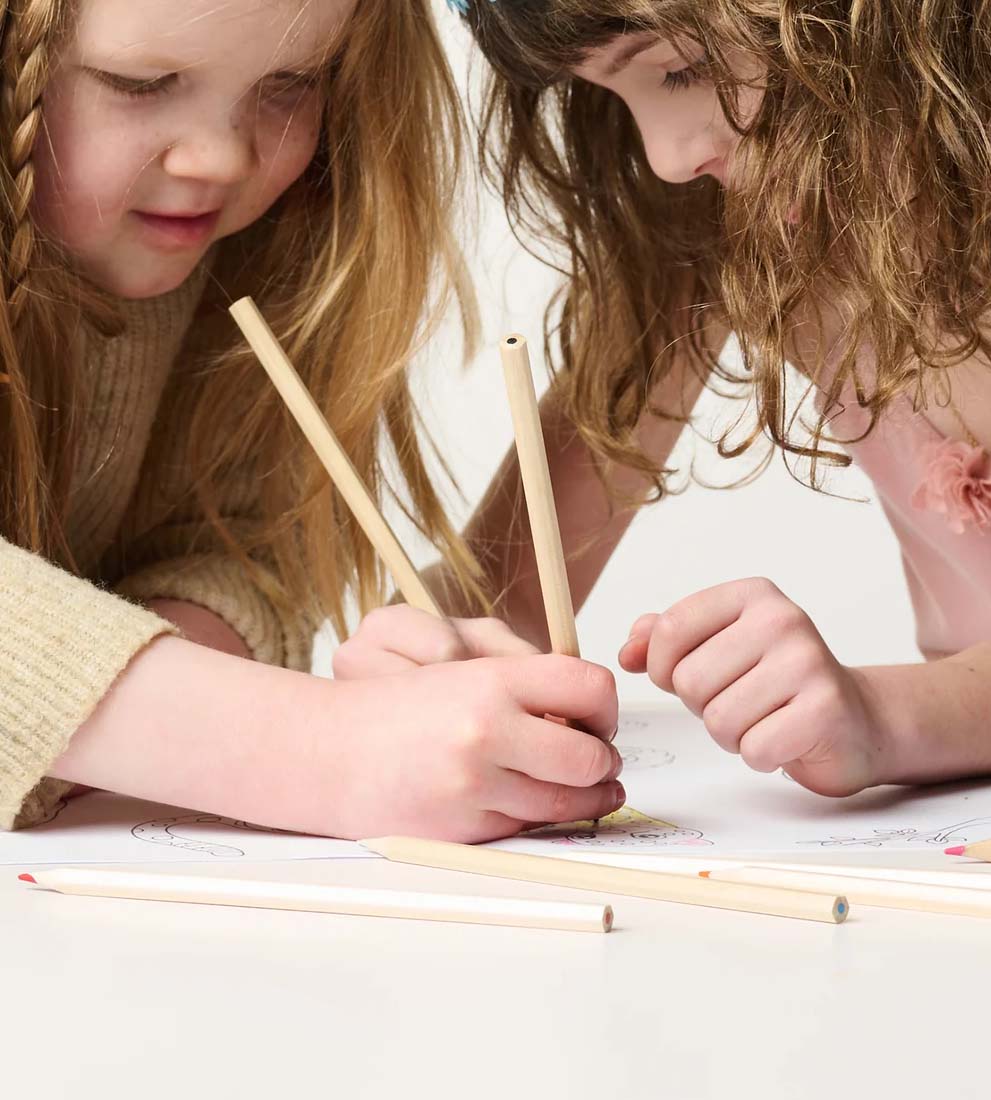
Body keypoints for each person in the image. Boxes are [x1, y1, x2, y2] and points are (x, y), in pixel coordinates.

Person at [378, 0, 991, 798]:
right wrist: (422, 645)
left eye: (680, 67)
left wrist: (883, 716)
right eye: (608, 94)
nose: (661, 156)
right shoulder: (735, 223)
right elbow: (508, 591)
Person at [0, 0, 623, 842]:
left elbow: (243, 558)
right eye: (138, 83)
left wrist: (168, 711)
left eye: (291, 83)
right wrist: (316, 747)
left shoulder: (248, 263)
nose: (221, 156)